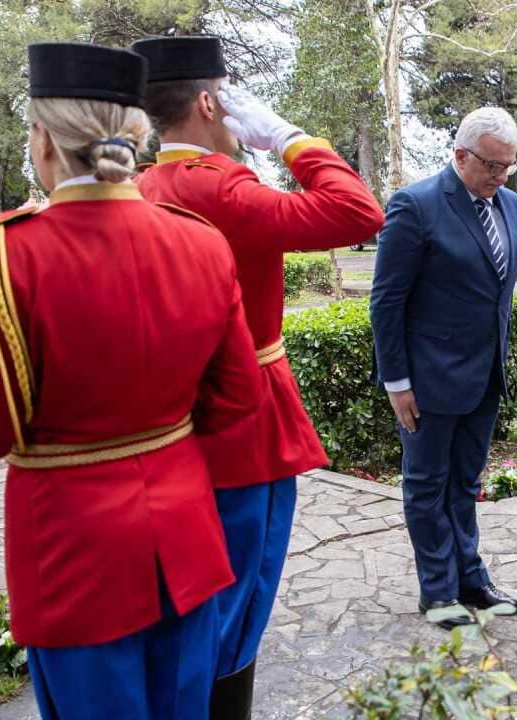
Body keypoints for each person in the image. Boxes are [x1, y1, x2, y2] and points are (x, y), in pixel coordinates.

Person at [0, 42, 263, 719]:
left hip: (72, 554)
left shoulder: (2, 251)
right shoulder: (199, 239)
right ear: (132, 135)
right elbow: (236, 402)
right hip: (186, 539)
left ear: (43, 139)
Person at [129, 35, 385, 717]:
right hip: (243, 420)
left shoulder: (143, 185)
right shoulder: (218, 185)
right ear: (211, 102)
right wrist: (290, 138)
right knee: (241, 589)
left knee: (198, 589)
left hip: (172, 417)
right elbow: (360, 213)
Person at [370, 107, 517, 629]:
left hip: (484, 377)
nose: (501, 176)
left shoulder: (512, 206)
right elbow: (387, 302)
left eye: (509, 166)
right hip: (429, 380)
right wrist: (397, 381)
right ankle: (437, 591)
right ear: (460, 155)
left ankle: (471, 579)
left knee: (465, 483)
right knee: (427, 484)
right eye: (491, 165)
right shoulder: (415, 205)